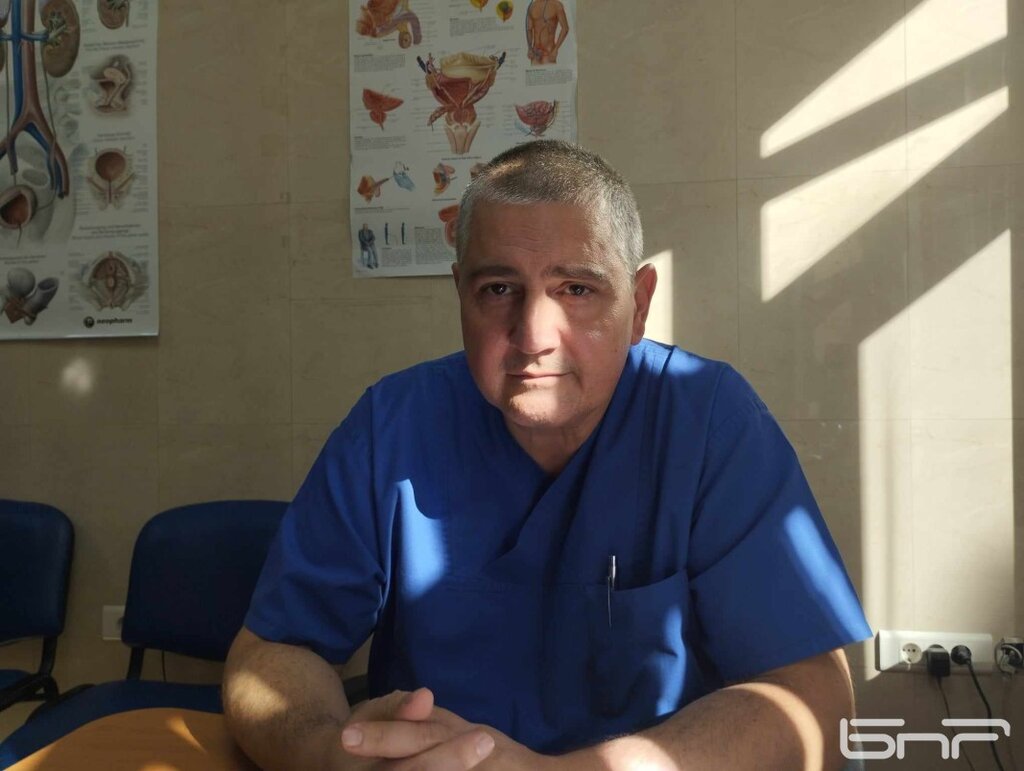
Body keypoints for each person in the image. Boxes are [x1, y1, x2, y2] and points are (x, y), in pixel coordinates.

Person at [224, 140, 872, 770]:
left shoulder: (707, 422)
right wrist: (329, 752)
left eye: (577, 289)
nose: (534, 336)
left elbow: (813, 696)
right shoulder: (392, 425)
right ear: (460, 294)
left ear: (639, 304)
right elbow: (272, 651)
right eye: (498, 289)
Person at [526, 0, 569, 65]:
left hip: (549, 53)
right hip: (535, 53)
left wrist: (555, 50)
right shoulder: (532, 6)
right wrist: (529, 48)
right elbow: (529, 29)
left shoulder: (556, 5)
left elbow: (565, 28)